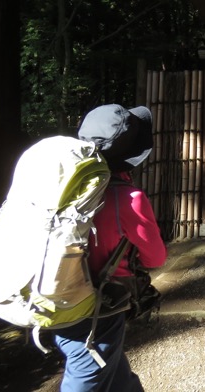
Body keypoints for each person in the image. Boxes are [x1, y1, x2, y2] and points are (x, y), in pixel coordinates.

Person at [55, 104, 167, 392]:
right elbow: (155, 258)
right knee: (86, 378)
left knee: (117, 376)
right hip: (97, 308)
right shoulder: (129, 198)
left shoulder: (60, 183)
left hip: (50, 291)